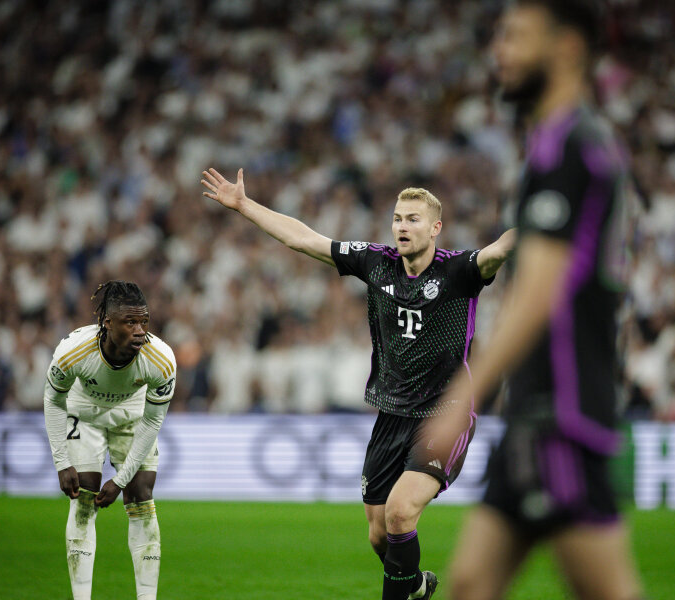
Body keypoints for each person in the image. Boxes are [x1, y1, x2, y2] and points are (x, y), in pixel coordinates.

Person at [201, 169, 515, 599]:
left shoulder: (460, 271)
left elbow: (499, 249)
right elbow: (304, 239)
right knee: (379, 535)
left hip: (445, 416)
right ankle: (417, 585)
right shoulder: (376, 261)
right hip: (392, 414)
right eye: (398, 218)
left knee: (401, 515)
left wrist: (547, 218)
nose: (402, 227)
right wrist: (243, 205)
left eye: (413, 219)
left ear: (435, 228)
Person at [425, 2, 644, 599]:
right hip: (538, 406)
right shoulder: (557, 143)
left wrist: (464, 395)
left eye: (517, 36)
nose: (500, 50)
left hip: (561, 409)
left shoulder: (570, 146)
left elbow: (539, 294)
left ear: (568, 48)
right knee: (470, 585)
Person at [43, 281, 176, 600]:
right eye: (130, 322)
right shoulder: (73, 350)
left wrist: (121, 479)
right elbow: (53, 400)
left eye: (144, 321)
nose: (140, 331)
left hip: (132, 414)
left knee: (141, 493)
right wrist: (62, 462)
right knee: (84, 494)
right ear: (106, 323)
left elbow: (153, 420)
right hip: (85, 411)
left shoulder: (161, 360)